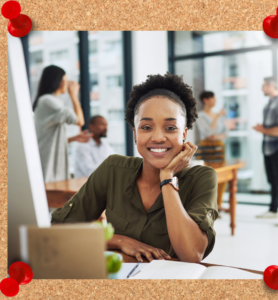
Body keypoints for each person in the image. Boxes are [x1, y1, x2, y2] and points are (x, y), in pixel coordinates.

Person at [52, 73, 218, 263]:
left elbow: (192, 254)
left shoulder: (203, 177)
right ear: (135, 135)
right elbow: (59, 229)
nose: (157, 137)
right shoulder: (113, 169)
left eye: (170, 128)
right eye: (146, 127)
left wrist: (167, 178)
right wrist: (119, 241)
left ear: (184, 134)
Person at [33, 65, 93, 183]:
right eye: (65, 80)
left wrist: (73, 138)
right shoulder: (48, 101)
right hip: (48, 164)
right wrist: (73, 95)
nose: (67, 84)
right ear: (57, 81)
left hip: (52, 163)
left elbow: (49, 138)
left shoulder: (49, 101)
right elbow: (79, 121)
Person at [253, 77, 278, 227]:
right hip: (268, 147)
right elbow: (272, 127)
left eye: (263, 86)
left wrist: (264, 130)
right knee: (273, 180)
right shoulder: (269, 104)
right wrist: (264, 128)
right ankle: (273, 209)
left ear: (270, 85)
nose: (262, 89)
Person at [196, 91, 228, 213]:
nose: (215, 101)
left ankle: (219, 204)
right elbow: (209, 133)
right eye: (213, 99)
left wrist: (217, 136)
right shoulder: (201, 116)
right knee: (210, 177)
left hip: (220, 147)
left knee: (223, 176)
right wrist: (217, 117)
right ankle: (210, 205)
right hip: (207, 148)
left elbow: (226, 133)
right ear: (205, 100)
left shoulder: (217, 114)